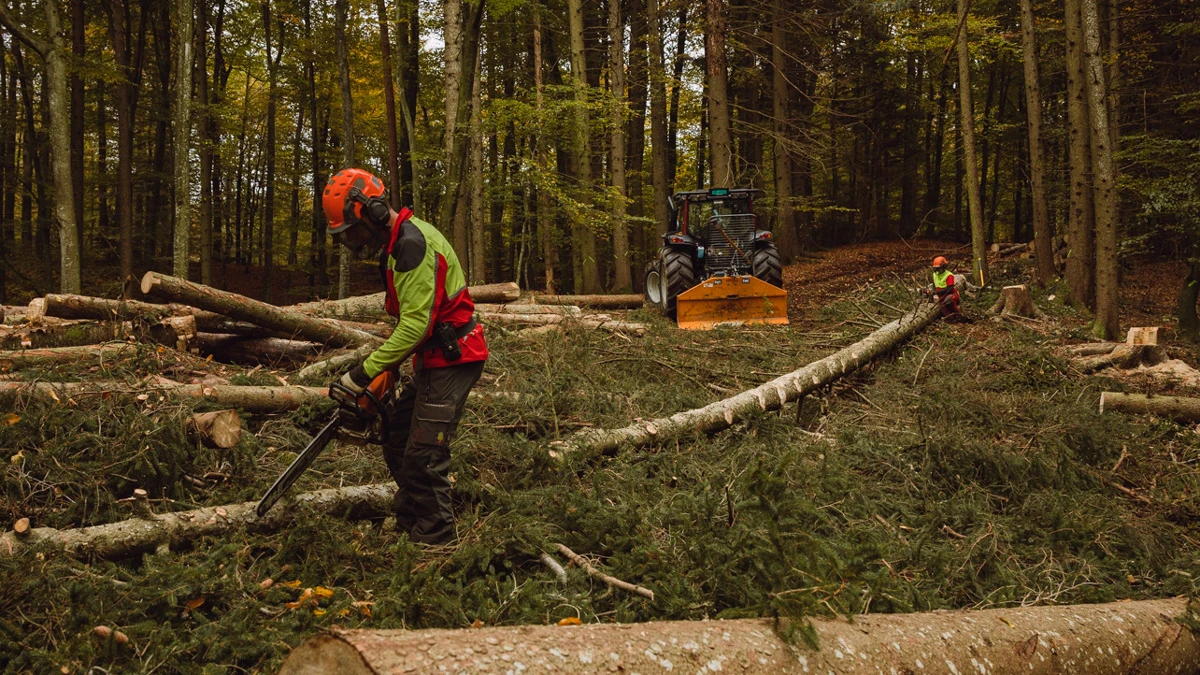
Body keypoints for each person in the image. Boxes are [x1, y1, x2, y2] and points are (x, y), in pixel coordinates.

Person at [322, 168, 487, 545]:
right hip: (434, 357)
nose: (351, 240)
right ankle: (412, 517)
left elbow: (415, 326)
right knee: (397, 438)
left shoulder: (413, 245)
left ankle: (435, 538)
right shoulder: (397, 245)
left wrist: (363, 373)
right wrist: (390, 371)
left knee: (423, 455)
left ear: (372, 213)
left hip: (456, 355)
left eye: (351, 230)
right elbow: (413, 321)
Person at [927, 255, 966, 322]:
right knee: (942, 307)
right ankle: (950, 318)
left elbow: (949, 289)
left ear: (944, 267)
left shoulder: (949, 275)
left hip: (951, 295)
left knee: (948, 300)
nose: (938, 270)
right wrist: (930, 292)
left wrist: (936, 292)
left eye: (939, 268)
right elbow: (934, 285)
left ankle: (959, 315)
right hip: (941, 298)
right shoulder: (934, 275)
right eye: (937, 268)